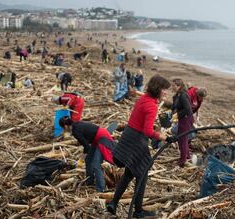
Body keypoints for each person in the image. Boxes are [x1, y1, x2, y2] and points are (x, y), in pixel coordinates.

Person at [107, 75, 172, 218]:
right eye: (165, 90)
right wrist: (164, 137)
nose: (166, 93)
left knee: (130, 173)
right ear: (158, 89)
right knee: (142, 174)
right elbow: (148, 131)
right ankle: (138, 211)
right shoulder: (152, 106)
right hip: (137, 140)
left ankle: (113, 203)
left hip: (129, 136)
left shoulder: (143, 99)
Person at [59, 116, 115, 192]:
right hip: (97, 139)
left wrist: (81, 160)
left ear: (65, 126)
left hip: (102, 139)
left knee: (96, 164)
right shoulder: (76, 124)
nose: (64, 130)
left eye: (63, 128)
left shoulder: (75, 131)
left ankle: (100, 189)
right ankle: (89, 182)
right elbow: (87, 143)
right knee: (88, 159)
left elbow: (86, 147)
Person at [172, 79, 193, 167]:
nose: (172, 87)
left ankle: (182, 160)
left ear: (179, 86)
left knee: (182, 139)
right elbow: (175, 105)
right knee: (182, 138)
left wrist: (177, 115)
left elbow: (188, 109)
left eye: (173, 85)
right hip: (182, 119)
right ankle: (187, 156)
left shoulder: (183, 95)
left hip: (186, 119)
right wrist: (172, 112)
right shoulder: (177, 94)